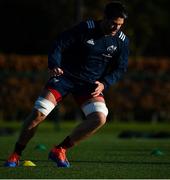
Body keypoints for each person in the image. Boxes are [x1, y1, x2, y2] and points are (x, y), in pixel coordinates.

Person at [4, 1, 129, 167]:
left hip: (89, 85)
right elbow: (59, 43)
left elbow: (120, 69)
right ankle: (16, 154)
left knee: (99, 118)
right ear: (104, 18)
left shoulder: (122, 41)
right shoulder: (86, 28)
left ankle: (60, 149)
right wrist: (54, 64)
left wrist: (104, 83)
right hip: (65, 78)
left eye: (120, 25)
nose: (116, 28)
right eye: (113, 23)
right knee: (39, 112)